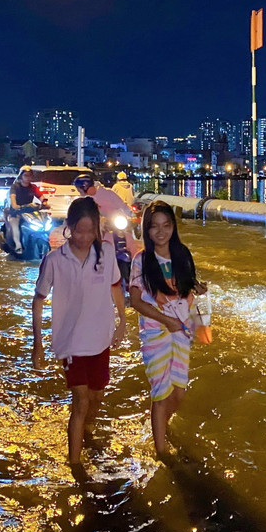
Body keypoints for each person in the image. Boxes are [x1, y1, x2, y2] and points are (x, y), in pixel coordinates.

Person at [32, 196, 126, 479]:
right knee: (81, 401)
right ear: (69, 227)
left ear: (98, 228)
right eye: (79, 231)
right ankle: (75, 468)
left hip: (100, 338)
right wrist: (38, 344)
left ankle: (86, 431)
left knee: (97, 397)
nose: (84, 237)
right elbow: (38, 301)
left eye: (90, 231)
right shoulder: (54, 260)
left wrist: (122, 322)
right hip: (70, 341)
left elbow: (115, 287)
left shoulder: (106, 254)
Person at [128, 200, 207, 455]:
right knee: (161, 393)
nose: (160, 232)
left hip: (182, 331)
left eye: (166, 225)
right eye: (154, 227)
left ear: (173, 226)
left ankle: (160, 425)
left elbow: (187, 288)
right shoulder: (141, 260)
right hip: (155, 332)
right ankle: (161, 452)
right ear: (146, 230)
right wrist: (166, 321)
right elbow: (136, 301)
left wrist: (199, 290)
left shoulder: (182, 254)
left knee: (179, 393)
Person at [73, 173, 141, 286]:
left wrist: (132, 215)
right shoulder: (84, 202)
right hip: (99, 231)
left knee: (132, 246)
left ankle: (137, 278)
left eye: (80, 189)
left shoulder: (108, 193)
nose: (79, 191)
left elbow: (123, 206)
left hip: (117, 227)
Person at [8, 166, 44, 254]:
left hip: (29, 212)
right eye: (26, 175)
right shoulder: (15, 187)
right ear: (21, 176)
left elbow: (41, 197)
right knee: (15, 224)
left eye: (30, 176)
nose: (28, 178)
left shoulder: (33, 187)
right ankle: (18, 245)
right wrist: (15, 205)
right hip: (16, 212)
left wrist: (45, 203)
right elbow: (13, 197)